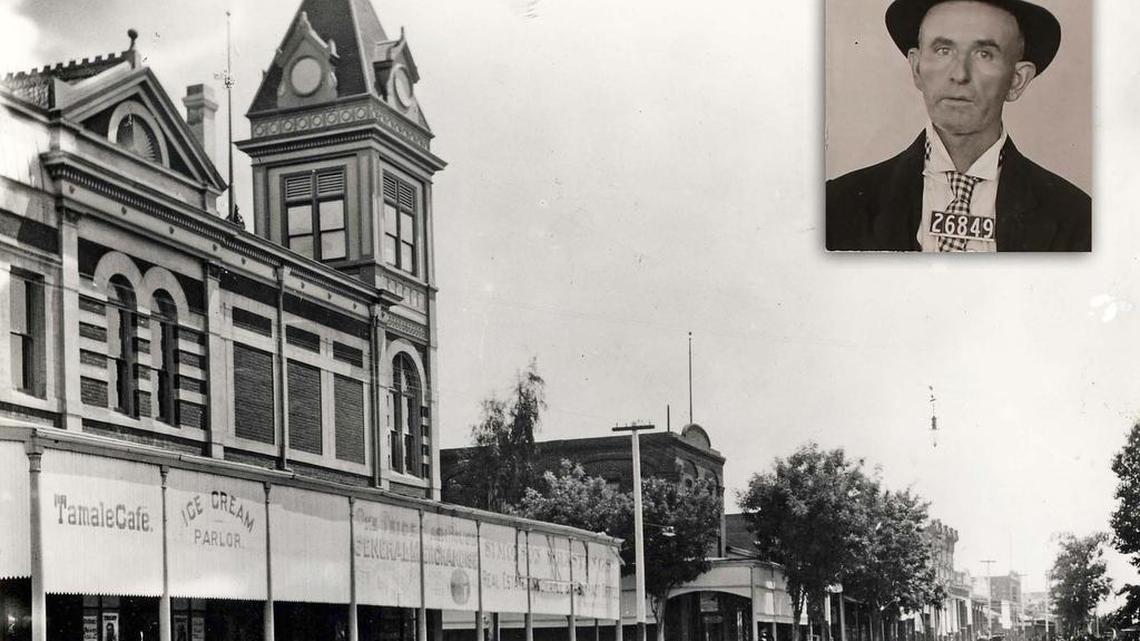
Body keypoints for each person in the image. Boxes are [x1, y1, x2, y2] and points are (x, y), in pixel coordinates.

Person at [825, 0, 1090, 252]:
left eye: (984, 54)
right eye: (943, 50)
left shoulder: (1078, 218)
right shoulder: (837, 204)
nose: (959, 74)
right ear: (917, 68)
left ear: (1017, 80)